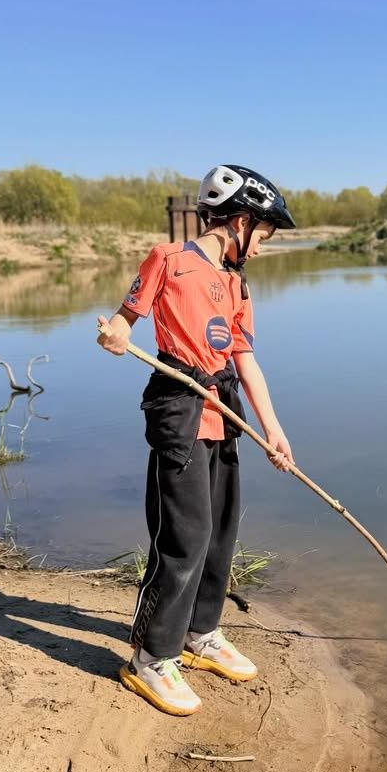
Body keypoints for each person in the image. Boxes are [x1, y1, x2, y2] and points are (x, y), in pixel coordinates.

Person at [96, 165, 296, 717]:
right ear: (241, 222)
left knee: (221, 530)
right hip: (179, 408)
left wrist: (273, 429)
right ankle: (150, 657)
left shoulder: (237, 283)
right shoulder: (168, 259)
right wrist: (115, 335)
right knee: (184, 537)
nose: (262, 247)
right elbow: (125, 319)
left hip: (223, 411)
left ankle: (200, 632)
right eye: (264, 234)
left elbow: (244, 359)